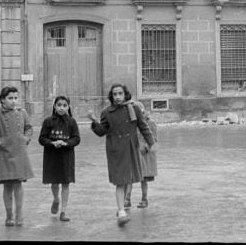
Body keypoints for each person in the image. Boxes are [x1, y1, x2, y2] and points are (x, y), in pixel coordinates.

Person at [87, 84, 155, 227]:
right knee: (120, 182)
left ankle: (122, 208)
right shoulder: (107, 112)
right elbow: (101, 131)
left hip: (130, 148)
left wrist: (151, 142)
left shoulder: (134, 108)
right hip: (115, 150)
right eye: (115, 94)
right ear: (111, 96)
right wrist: (94, 121)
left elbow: (143, 126)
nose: (117, 97)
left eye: (120, 93)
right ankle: (121, 211)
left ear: (125, 94)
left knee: (127, 179)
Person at [0, 86, 34, 227]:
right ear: (2, 99)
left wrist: (26, 138)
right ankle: (9, 216)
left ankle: (19, 216)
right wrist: (0, 141)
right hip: (4, 154)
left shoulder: (22, 113)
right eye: (10, 98)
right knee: (7, 186)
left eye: (16, 98)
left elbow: (29, 127)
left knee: (18, 185)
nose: (14, 101)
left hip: (19, 153)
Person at [39, 96, 81, 222]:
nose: (61, 108)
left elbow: (77, 138)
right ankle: (56, 199)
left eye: (64, 105)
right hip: (52, 156)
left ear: (68, 107)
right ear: (54, 106)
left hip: (66, 156)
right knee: (54, 182)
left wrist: (66, 143)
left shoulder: (72, 122)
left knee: (66, 183)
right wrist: (52, 143)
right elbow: (42, 138)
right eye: (59, 105)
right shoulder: (48, 121)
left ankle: (63, 210)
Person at [124, 102, 158, 209]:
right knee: (130, 178)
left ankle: (144, 199)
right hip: (133, 154)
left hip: (145, 155)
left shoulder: (150, 123)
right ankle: (127, 200)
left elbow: (154, 139)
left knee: (143, 179)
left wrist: (146, 148)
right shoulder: (131, 123)